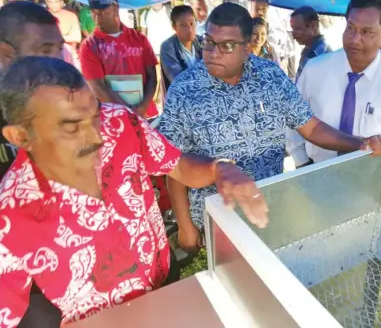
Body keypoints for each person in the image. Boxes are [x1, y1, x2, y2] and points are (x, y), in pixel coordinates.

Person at [0, 56, 269, 326]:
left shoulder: (121, 124)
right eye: (71, 127)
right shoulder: (9, 217)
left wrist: (218, 169)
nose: (97, 136)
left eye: (94, 115)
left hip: (164, 288)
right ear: (20, 137)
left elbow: (178, 166)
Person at [155, 2, 381, 251]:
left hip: (268, 210)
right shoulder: (184, 89)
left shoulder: (270, 76)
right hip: (215, 220)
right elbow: (172, 163)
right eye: (209, 42)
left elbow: (311, 128)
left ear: (247, 47)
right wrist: (185, 226)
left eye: (226, 46)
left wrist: (360, 143)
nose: (213, 53)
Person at [287, 0, 381, 167]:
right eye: (351, 28)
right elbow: (293, 120)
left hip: (371, 175)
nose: (354, 39)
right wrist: (301, 161)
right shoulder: (314, 70)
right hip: (317, 170)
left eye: (366, 32)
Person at [0, 0, 66, 328]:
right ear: (5, 53)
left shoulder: (59, 101)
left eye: (59, 48)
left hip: (71, 263)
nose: (57, 60)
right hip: (20, 282)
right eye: (44, 49)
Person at [80, 0, 158, 119]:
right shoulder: (89, 46)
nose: (98, 18)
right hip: (114, 116)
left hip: (145, 111)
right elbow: (98, 87)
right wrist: (128, 111)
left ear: (116, 10)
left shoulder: (139, 39)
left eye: (105, 12)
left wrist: (142, 107)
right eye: (94, 13)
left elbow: (152, 77)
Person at [160, 5, 202, 88]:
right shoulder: (168, 47)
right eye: (183, 25)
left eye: (191, 23)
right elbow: (178, 81)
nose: (189, 29)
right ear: (174, 27)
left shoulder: (202, 41)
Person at [254, 0, 296, 78]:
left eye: (264, 9)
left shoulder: (280, 32)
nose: (260, 12)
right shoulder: (244, 32)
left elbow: (290, 58)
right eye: (257, 9)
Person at [290, 6, 332, 82]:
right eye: (293, 29)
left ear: (313, 26)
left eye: (297, 29)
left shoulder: (321, 54)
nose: (293, 34)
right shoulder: (309, 50)